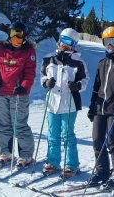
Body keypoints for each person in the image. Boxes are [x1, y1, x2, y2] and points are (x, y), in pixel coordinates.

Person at [40, 28, 89, 178]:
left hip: (69, 104)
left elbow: (85, 80)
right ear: (59, 40)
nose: (66, 45)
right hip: (52, 103)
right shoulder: (48, 58)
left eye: (70, 43)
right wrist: (46, 82)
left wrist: (78, 86)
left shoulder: (78, 61)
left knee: (68, 134)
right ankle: (53, 162)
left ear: (74, 45)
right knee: (53, 134)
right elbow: (42, 76)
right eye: (64, 41)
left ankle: (71, 165)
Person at [87, 27, 114, 189]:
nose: (109, 46)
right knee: (97, 140)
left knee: (112, 142)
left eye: (112, 42)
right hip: (100, 108)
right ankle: (102, 171)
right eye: (106, 42)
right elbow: (96, 88)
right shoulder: (102, 63)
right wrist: (92, 106)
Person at [0, 21, 36, 167]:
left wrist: (24, 87)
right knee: (3, 124)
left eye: (19, 35)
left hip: (18, 95)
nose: (16, 38)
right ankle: (6, 152)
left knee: (19, 125)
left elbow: (30, 73)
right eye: (13, 34)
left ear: (24, 36)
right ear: (9, 34)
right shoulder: (1, 48)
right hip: (1, 93)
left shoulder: (29, 51)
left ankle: (26, 155)